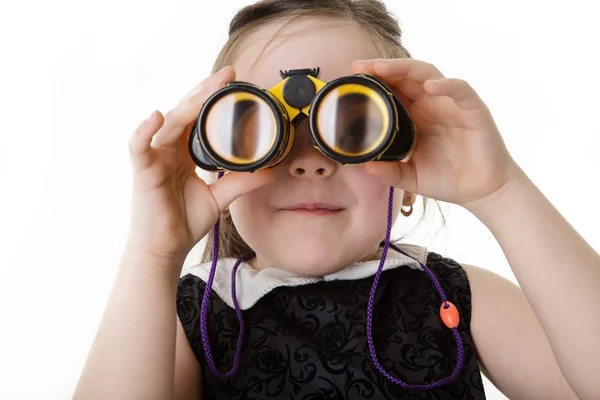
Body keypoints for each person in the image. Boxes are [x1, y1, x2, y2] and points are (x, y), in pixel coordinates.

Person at [73, 0, 600, 399]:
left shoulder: (454, 296)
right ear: (215, 156)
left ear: (406, 161)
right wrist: (152, 253)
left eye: (352, 124)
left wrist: (501, 191)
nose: (309, 161)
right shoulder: (193, 320)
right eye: (258, 129)